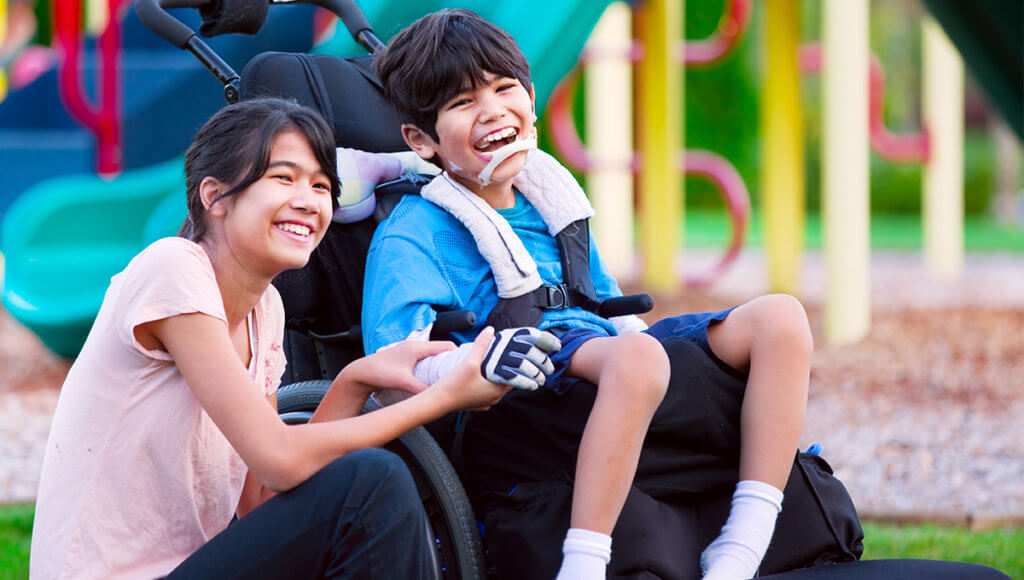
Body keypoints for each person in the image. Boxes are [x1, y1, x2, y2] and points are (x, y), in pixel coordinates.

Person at [359, 10, 813, 580]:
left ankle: (744, 542)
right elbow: (392, 360)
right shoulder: (414, 231)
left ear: (529, 97)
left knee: (781, 318)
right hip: (518, 381)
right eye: (463, 102)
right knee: (640, 358)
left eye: (504, 89)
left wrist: (668, 365)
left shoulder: (548, 198)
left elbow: (606, 302)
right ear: (421, 140)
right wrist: (468, 362)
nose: (493, 110)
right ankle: (584, 564)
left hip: (601, 354)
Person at [29, 98, 512, 579]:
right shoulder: (172, 268)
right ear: (215, 196)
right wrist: (443, 397)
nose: (308, 199)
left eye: (321, 185)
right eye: (283, 178)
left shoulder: (264, 310)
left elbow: (261, 496)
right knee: (371, 481)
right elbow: (280, 459)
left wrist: (352, 383)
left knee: (366, 487)